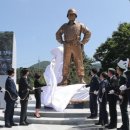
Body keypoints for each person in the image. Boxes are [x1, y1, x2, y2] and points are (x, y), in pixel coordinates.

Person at [56, 8, 91, 85]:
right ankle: (64, 79)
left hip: (76, 45)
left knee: (79, 61)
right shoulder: (64, 26)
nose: (71, 16)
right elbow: (58, 34)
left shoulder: (80, 25)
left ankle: (81, 78)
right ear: (67, 16)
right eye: (70, 14)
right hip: (67, 45)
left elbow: (88, 32)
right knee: (66, 62)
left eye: (73, 14)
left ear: (75, 16)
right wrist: (62, 42)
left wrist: (82, 42)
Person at [116, 59, 129, 130]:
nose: (116, 70)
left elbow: (125, 86)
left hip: (124, 96)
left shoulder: (123, 76)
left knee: (124, 111)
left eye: (117, 69)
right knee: (122, 111)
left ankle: (126, 126)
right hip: (121, 96)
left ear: (120, 69)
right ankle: (124, 125)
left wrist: (121, 94)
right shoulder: (121, 76)